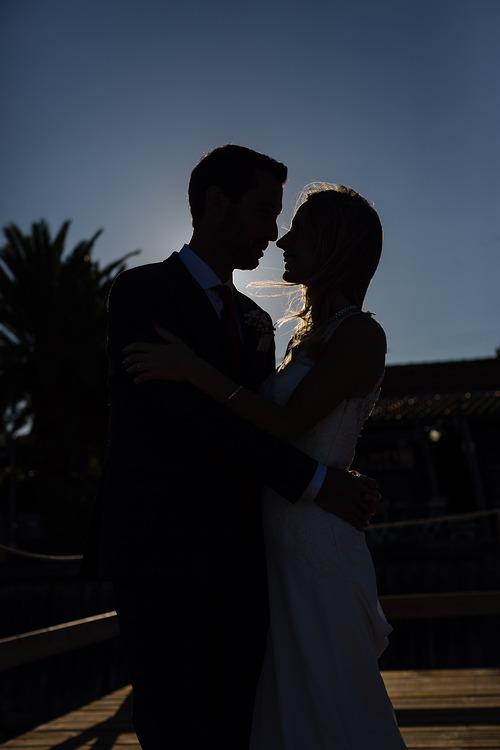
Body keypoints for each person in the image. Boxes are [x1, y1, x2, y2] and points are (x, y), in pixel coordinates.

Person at [82, 146, 380, 750]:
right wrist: (319, 482)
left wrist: (323, 474)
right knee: (175, 733)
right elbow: (195, 421)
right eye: (266, 212)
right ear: (216, 203)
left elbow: (271, 422)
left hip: (249, 569)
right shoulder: (142, 293)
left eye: (284, 220)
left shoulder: (253, 322)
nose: (274, 234)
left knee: (248, 729)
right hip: (161, 562)